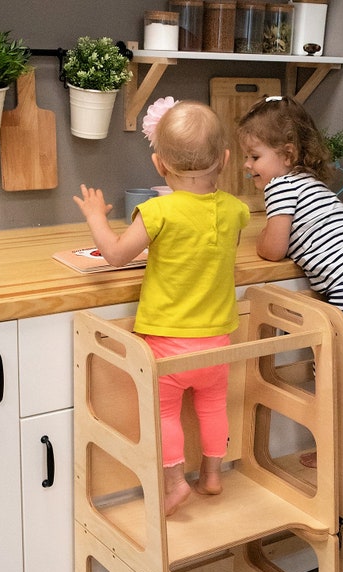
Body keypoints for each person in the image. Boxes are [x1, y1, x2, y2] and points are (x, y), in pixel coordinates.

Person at [73, 98, 250, 515]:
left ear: (159, 165)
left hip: (167, 344)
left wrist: (96, 217)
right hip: (217, 342)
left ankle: (175, 484)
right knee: (213, 407)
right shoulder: (236, 210)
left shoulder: (158, 211)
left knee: (164, 413)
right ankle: (212, 476)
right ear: (225, 160)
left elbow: (116, 255)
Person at [236, 96, 343, 471]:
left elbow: (274, 249)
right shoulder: (313, 186)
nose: (247, 165)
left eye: (254, 156)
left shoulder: (281, 188)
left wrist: (259, 238)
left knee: (331, 373)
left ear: (287, 154)